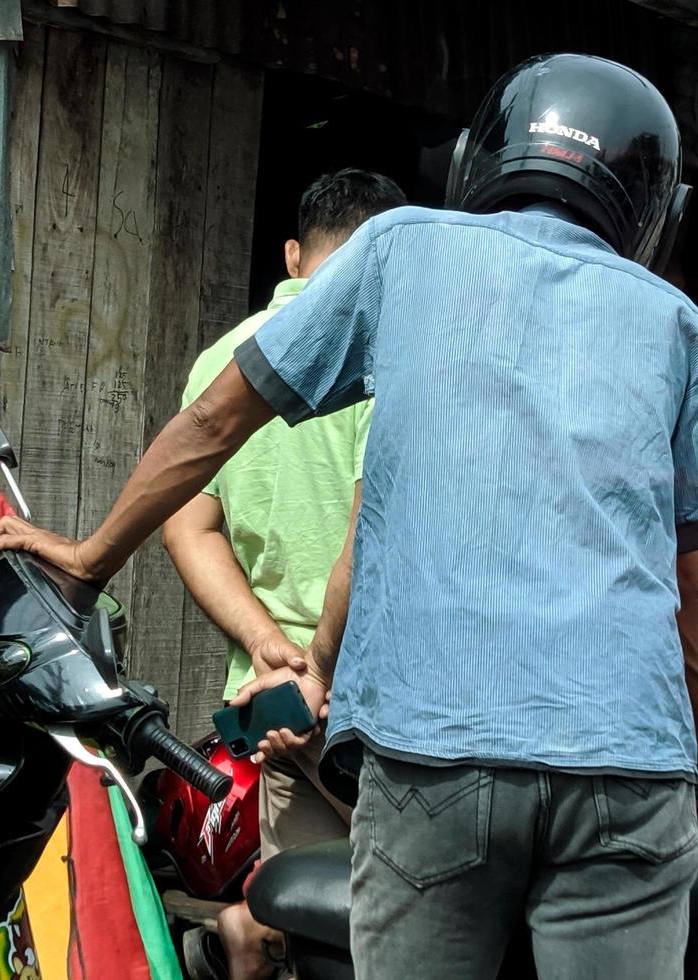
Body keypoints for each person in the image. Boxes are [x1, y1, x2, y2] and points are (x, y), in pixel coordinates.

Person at [0, 54, 698, 979]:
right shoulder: (675, 323)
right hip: (624, 769)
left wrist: (87, 560)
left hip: (434, 760)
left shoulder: (400, 250)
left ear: (482, 160)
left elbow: (214, 420)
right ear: (654, 210)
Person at [162, 168, 406, 979]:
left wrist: (268, 645)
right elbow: (371, 537)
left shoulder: (221, 361)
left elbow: (188, 523)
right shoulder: (388, 354)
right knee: (407, 927)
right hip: (371, 704)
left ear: (296, 255)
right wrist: (321, 668)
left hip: (269, 701)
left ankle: (242, 938)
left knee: (305, 921)